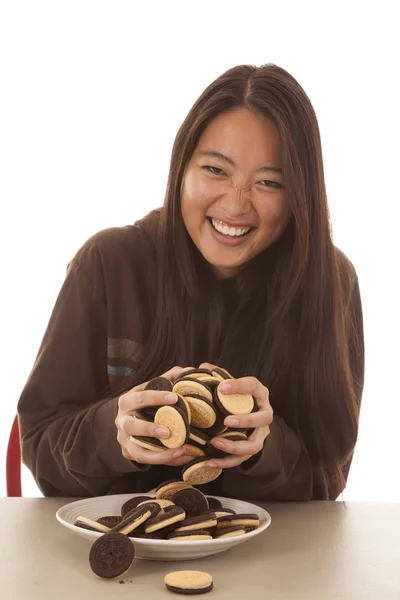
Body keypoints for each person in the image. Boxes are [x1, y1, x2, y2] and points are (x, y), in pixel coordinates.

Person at [17, 63, 364, 501]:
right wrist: (113, 434)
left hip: (269, 560)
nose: (236, 205)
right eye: (216, 170)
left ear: (300, 197)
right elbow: (40, 447)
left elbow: (327, 478)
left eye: (269, 182)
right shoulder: (108, 264)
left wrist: (263, 447)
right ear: (181, 167)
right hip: (117, 553)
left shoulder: (330, 282)